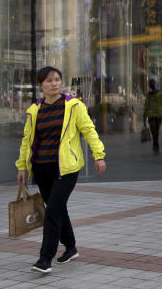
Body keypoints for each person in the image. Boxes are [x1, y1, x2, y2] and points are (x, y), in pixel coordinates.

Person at [15, 66, 106, 274]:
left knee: (52, 212)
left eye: (57, 79)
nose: (54, 83)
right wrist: (22, 166)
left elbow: (89, 130)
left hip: (66, 168)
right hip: (41, 168)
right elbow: (27, 141)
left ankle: (45, 259)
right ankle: (71, 247)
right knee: (58, 209)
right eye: (49, 80)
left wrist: (98, 155)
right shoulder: (34, 110)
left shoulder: (74, 106)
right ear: (41, 85)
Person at [143, 79, 162, 154]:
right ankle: (156, 145)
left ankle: (155, 146)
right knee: (155, 132)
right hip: (155, 116)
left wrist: (144, 117)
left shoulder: (154, 95)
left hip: (155, 116)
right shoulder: (151, 95)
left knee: (155, 132)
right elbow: (146, 107)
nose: (151, 86)